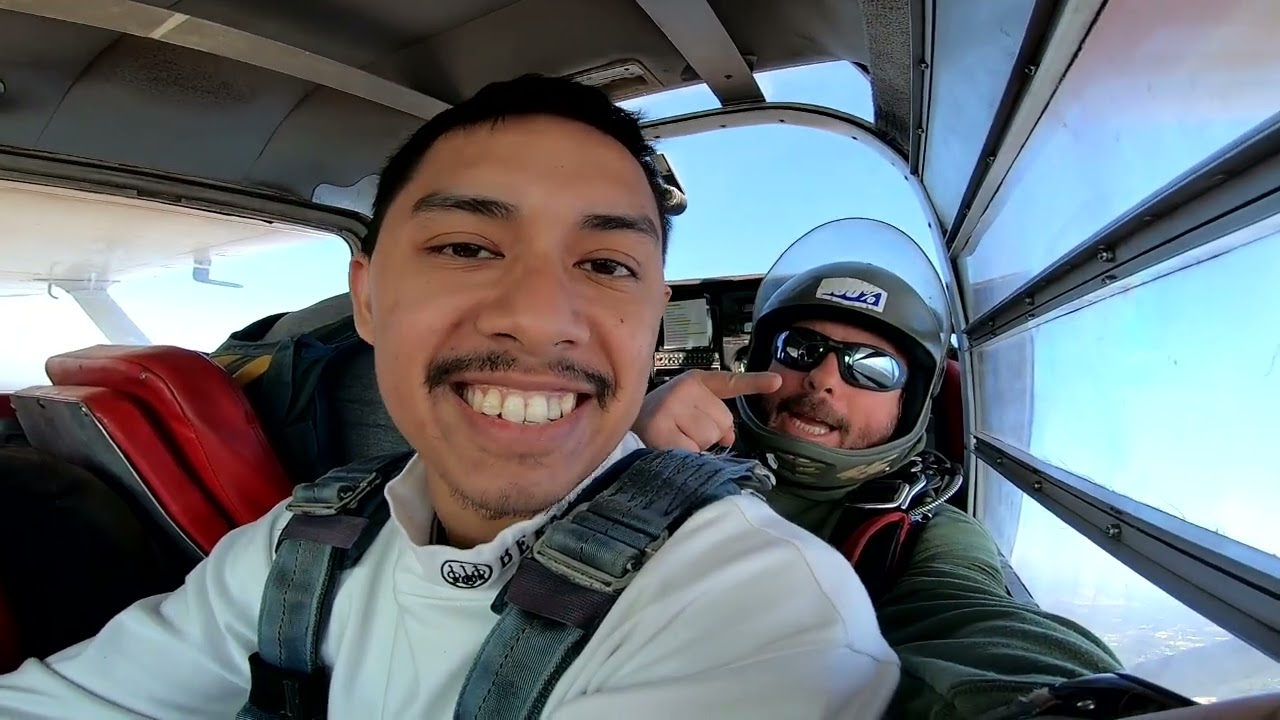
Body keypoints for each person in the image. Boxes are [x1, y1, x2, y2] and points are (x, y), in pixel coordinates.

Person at [0, 76, 900, 718]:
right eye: (466, 248)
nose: (539, 318)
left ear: (652, 323)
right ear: (366, 299)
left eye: (605, 264)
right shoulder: (297, 544)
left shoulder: (761, 616)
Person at [631, 218, 1137, 719]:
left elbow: (971, 622)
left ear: (908, 403)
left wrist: (1055, 704)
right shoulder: (658, 452)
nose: (823, 378)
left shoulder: (924, 531)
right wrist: (625, 453)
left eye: (872, 367)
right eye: (801, 349)